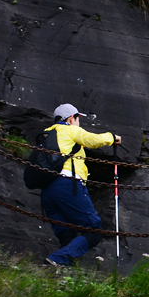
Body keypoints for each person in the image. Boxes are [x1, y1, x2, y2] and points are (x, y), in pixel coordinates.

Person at [40, 103, 120, 267]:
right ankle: (57, 260)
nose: (79, 123)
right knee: (93, 231)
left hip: (47, 190)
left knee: (66, 233)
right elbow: (92, 140)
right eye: (78, 119)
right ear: (71, 118)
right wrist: (112, 137)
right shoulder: (70, 130)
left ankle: (60, 271)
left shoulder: (47, 135)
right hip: (67, 185)